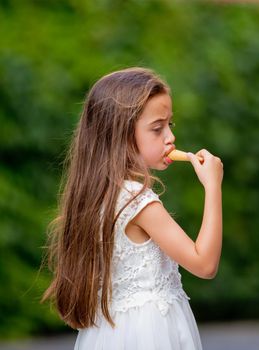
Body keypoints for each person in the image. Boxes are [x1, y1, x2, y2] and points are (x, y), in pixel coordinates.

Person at [41, 67, 224, 350]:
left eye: (170, 125)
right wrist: (213, 187)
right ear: (121, 135)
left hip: (109, 335)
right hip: (150, 334)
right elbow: (205, 264)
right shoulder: (138, 202)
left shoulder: (98, 195)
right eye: (157, 128)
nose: (169, 138)